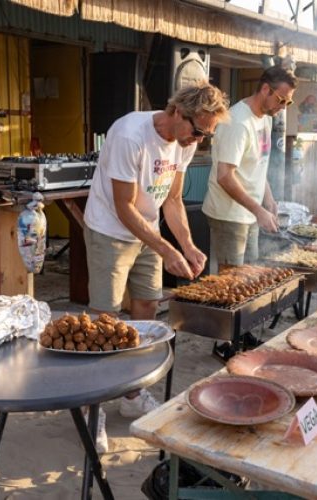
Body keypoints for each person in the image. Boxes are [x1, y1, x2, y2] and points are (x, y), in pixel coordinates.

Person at [83, 81, 230, 452]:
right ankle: (92, 406)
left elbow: (174, 200)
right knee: (105, 319)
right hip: (110, 230)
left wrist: (188, 245)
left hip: (147, 232)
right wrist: (166, 249)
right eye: (198, 130)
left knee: (146, 310)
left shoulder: (187, 140)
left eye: (207, 134)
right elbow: (124, 207)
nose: (200, 139)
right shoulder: (130, 134)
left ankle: (131, 394)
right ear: (177, 112)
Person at [202, 65, 297, 268]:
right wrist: (258, 210)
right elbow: (225, 176)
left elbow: (258, 165)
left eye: (288, 102)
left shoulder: (265, 119)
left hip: (250, 213)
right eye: (281, 100)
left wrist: (268, 199)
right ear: (265, 89)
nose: (283, 107)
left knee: (248, 276)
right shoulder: (238, 122)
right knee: (231, 283)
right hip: (229, 214)